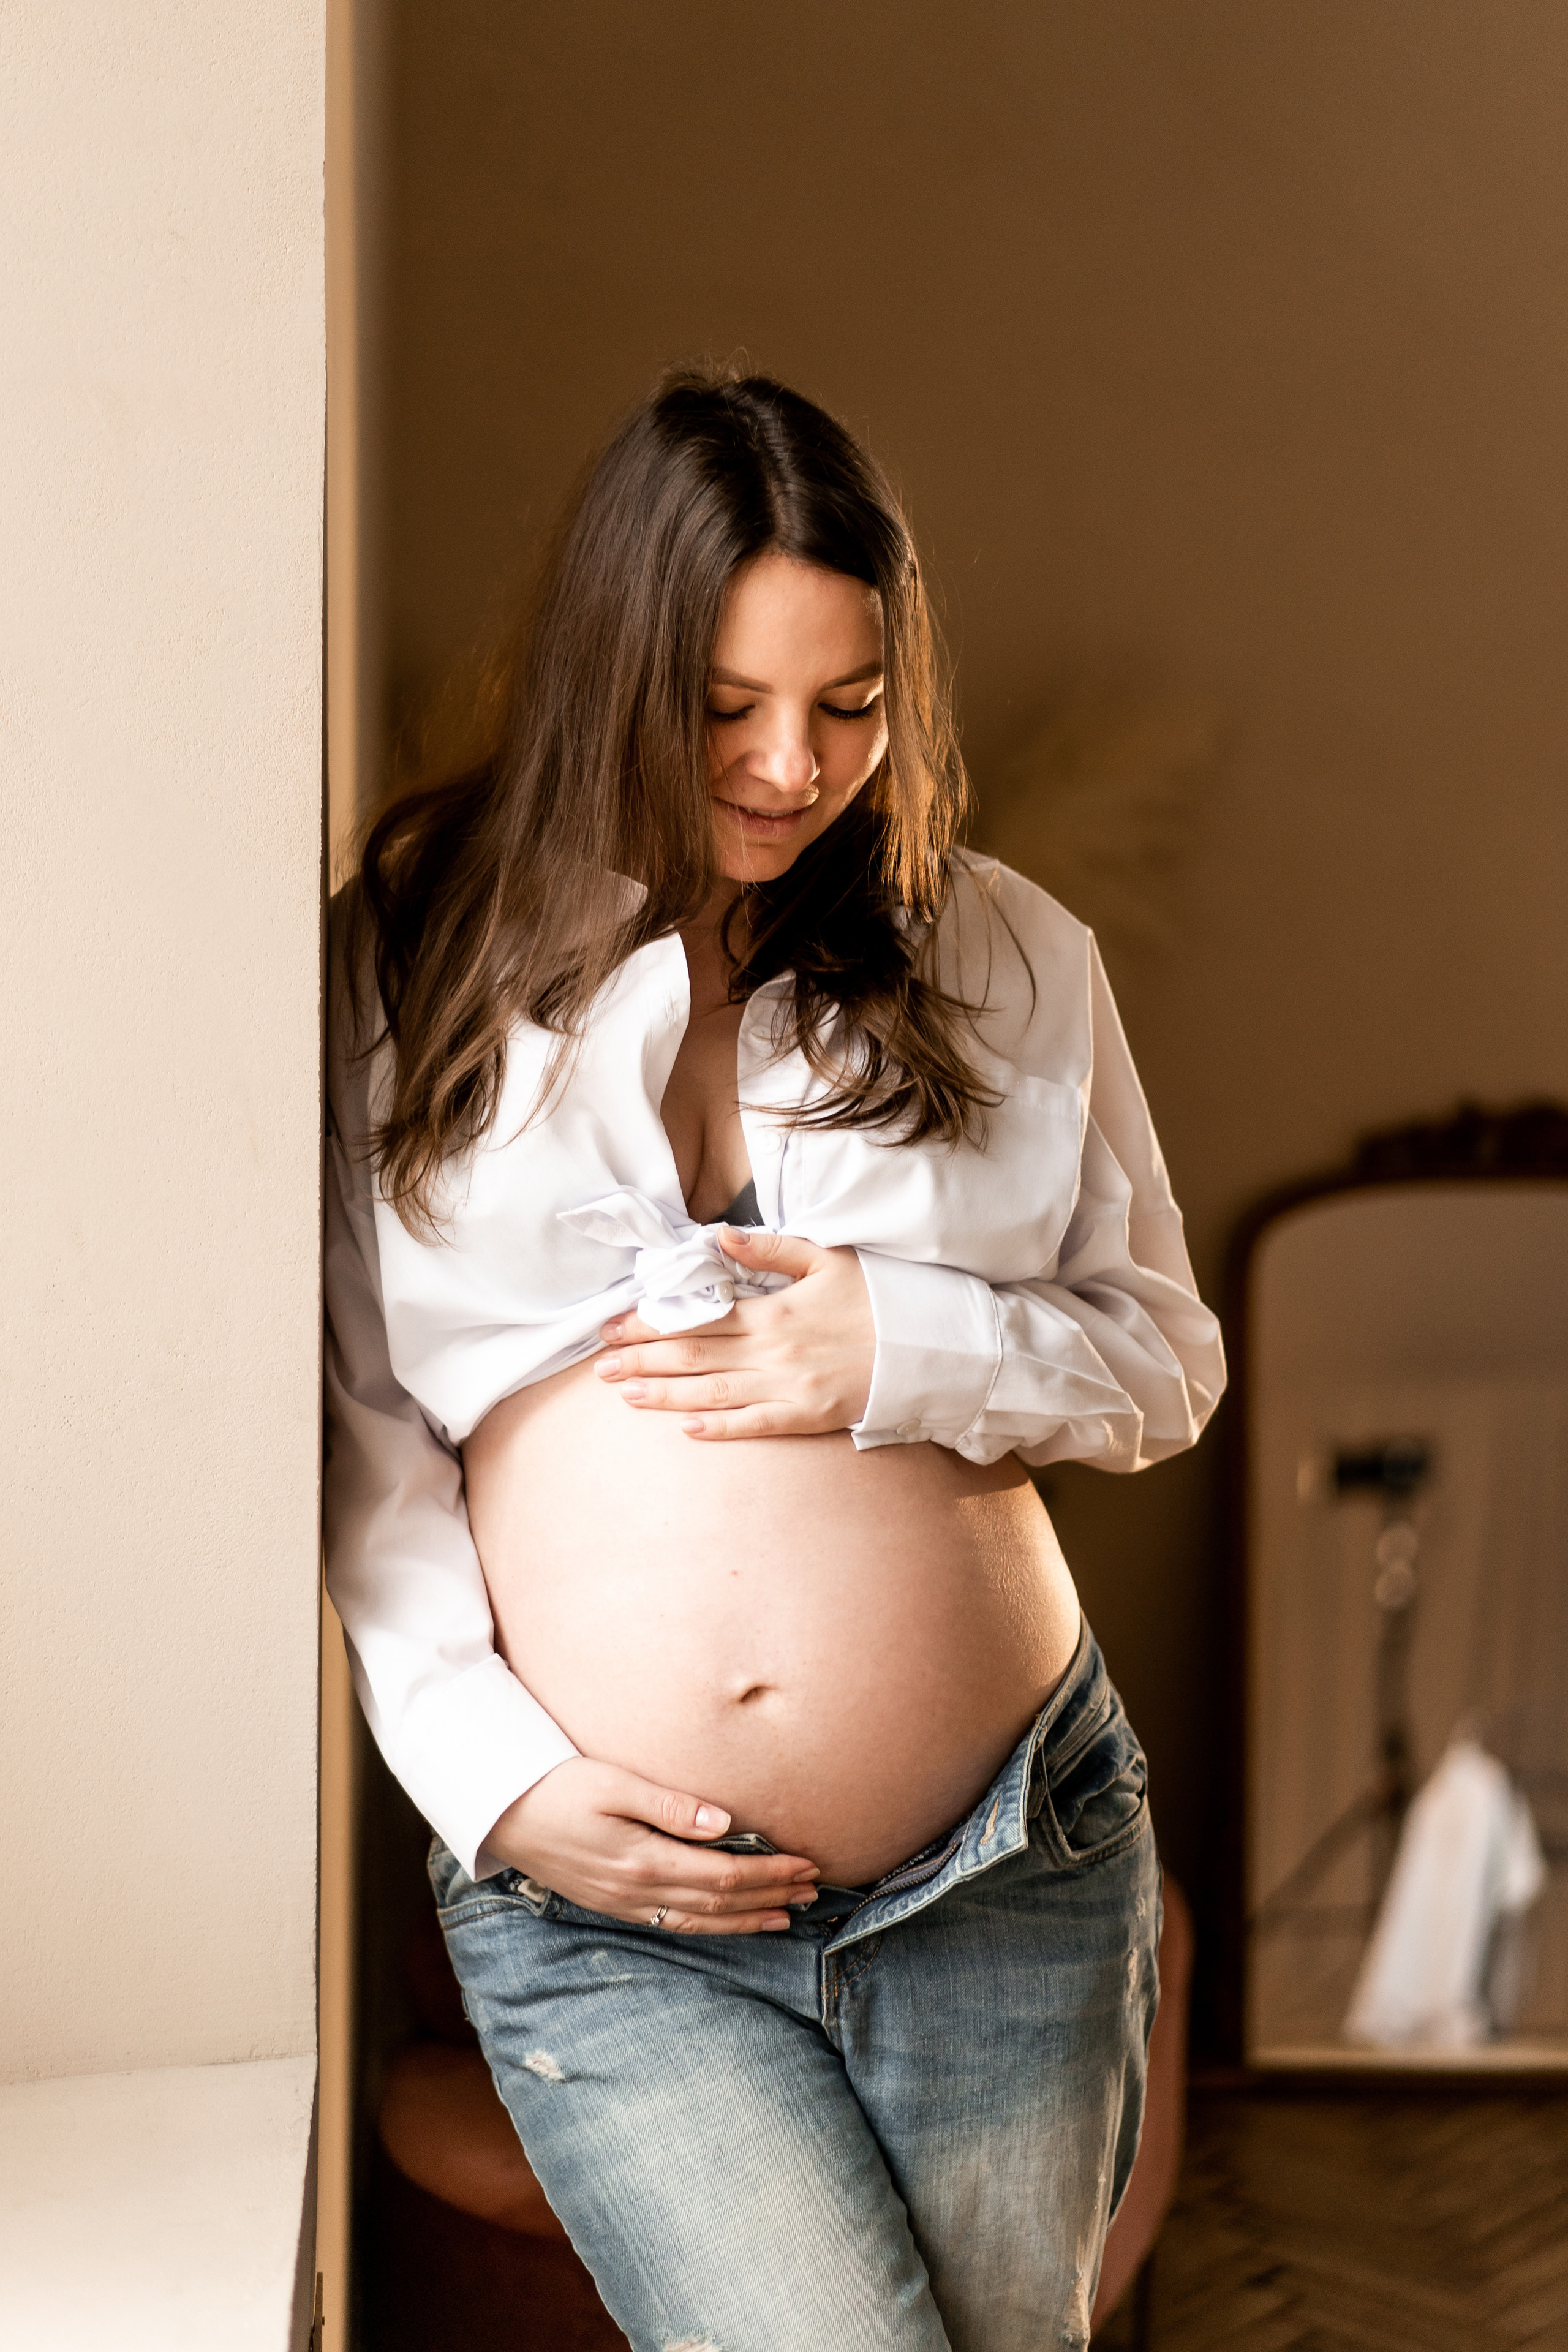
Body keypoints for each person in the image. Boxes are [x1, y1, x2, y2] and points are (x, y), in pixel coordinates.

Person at [325, 368, 1225, 2352]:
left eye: (849, 704)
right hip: (615, 1913)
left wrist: (898, 1346)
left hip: (1012, 1861)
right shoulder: (413, 958)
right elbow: (360, 1432)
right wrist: (496, 1786)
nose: (789, 767)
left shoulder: (1009, 952)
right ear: (610, 670)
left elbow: (1161, 1362)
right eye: (724, 707)